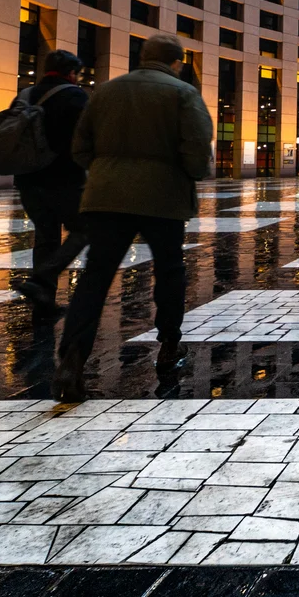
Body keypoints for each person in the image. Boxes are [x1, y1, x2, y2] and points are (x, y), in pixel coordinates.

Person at [53, 34, 213, 402]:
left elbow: (80, 147)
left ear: (143, 57)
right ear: (177, 62)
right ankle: (169, 345)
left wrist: (108, 172)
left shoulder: (106, 91)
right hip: (164, 195)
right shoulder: (182, 93)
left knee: (95, 277)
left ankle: (71, 360)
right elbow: (196, 149)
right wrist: (188, 173)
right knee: (170, 271)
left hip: (107, 197)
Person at [12, 50, 91, 315]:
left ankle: (43, 303)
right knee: (84, 229)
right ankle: (40, 280)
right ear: (71, 73)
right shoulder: (75, 96)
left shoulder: (25, 95)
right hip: (63, 179)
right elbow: (85, 139)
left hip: (27, 180)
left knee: (46, 237)